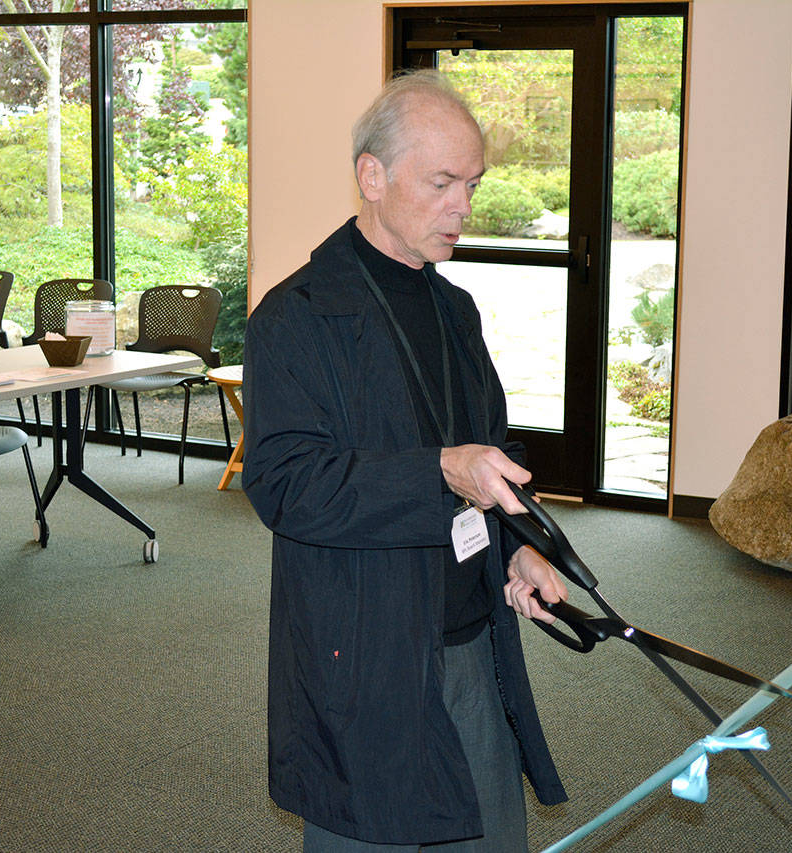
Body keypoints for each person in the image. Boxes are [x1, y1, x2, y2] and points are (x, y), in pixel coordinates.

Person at [242, 69, 569, 851]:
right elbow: (286, 486)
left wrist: (522, 545)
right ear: (372, 175)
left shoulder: (454, 308)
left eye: (473, 183)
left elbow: (493, 445)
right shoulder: (294, 316)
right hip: (368, 655)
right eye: (444, 182)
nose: (464, 206)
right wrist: (440, 473)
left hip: (470, 640)